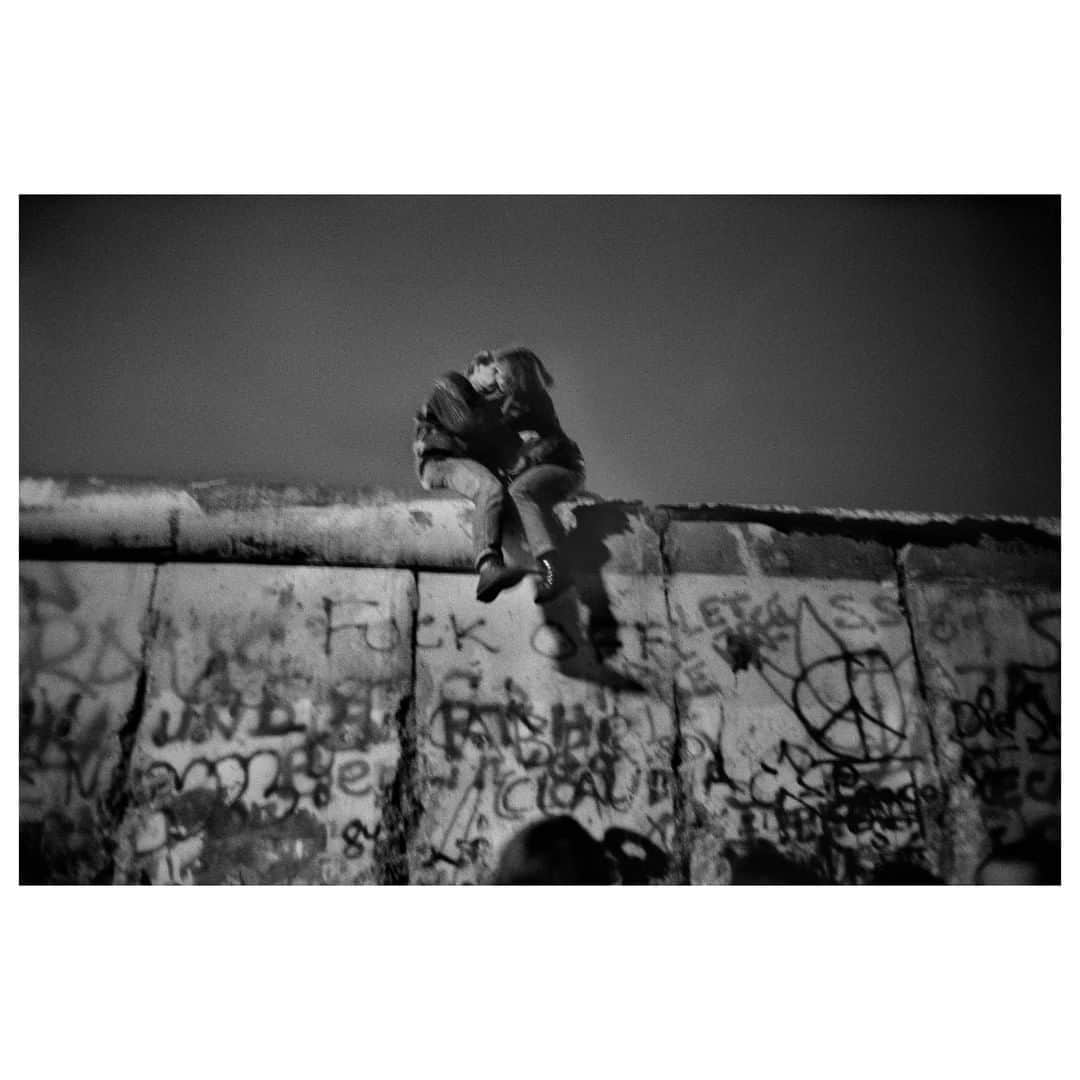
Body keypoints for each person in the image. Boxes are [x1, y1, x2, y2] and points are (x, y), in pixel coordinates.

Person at [413, 351, 525, 603]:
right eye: (494, 371)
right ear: (475, 368)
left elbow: (508, 452)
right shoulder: (451, 383)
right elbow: (464, 424)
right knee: (488, 488)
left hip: (464, 463)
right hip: (440, 462)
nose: (500, 379)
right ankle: (488, 566)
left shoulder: (489, 410)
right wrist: (504, 416)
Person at [490, 346, 586, 603]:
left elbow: (492, 426)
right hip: (554, 467)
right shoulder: (519, 399)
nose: (495, 377)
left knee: (520, 491)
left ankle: (552, 568)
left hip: (564, 467)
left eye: (499, 371)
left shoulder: (526, 399)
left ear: (513, 373)